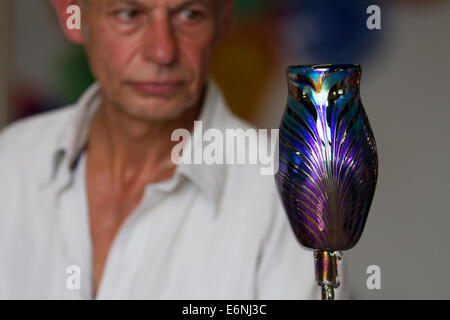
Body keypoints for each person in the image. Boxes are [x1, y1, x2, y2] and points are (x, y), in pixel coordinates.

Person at [0, 0, 345, 299]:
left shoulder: (293, 189)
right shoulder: (12, 161)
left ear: (223, 17)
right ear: (71, 14)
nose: (162, 51)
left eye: (189, 14)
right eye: (129, 13)